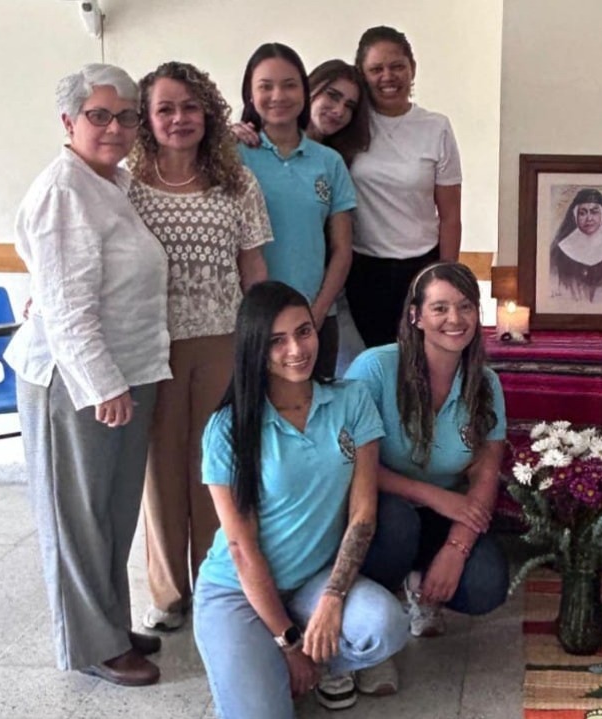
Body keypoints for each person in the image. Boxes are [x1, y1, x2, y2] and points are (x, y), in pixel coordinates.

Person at [5, 63, 171, 686]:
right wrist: (101, 384)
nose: (115, 127)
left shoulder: (114, 183)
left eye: (127, 116)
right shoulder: (63, 191)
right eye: (99, 115)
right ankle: (92, 644)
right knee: (77, 518)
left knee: (110, 513)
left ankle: (106, 619)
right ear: (69, 121)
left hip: (125, 371)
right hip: (74, 383)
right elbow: (69, 307)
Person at [193, 281, 408, 717]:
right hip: (238, 591)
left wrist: (332, 598)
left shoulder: (351, 400)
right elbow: (239, 548)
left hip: (312, 580)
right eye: (277, 340)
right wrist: (290, 645)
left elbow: (363, 514)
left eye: (304, 331)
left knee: (387, 626)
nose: (297, 349)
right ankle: (274, 662)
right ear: (256, 348)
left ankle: (315, 660)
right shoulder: (228, 429)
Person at [126, 61, 272, 633]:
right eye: (165, 108)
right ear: (147, 118)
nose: (179, 118)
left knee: (216, 464)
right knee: (159, 470)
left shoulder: (237, 181)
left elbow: (254, 267)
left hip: (223, 339)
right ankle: (168, 593)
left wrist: (260, 344)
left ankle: (219, 579)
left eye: (190, 106)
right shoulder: (126, 186)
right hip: (149, 343)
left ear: (207, 113)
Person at [346, 262, 508, 643]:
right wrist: (435, 496)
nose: (456, 318)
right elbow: (350, 463)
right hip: (380, 508)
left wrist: (456, 547)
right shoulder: (374, 369)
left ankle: (419, 586)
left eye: (466, 307)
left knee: (488, 584)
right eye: (440, 308)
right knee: (399, 523)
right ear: (416, 316)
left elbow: (486, 475)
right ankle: (373, 617)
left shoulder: (486, 383)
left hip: (444, 514)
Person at [234, 58, 371, 377]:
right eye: (266, 86)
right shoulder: (236, 153)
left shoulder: (330, 161)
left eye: (348, 105)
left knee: (317, 411)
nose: (339, 110)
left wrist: (317, 313)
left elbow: (341, 249)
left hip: (317, 315)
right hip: (252, 318)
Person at [346, 26, 463, 348]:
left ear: (412, 68)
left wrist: (447, 277)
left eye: (397, 66)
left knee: (423, 363)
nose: (388, 76)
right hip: (363, 268)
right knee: (374, 362)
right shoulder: (348, 123)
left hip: (423, 266)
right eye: (376, 69)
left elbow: (450, 215)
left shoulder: (436, 126)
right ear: (362, 75)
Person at [550, 187, 602, 302]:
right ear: (575, 216)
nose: (589, 218)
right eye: (582, 213)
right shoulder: (561, 250)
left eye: (594, 212)